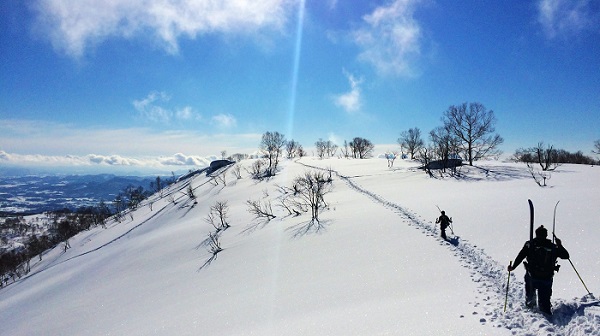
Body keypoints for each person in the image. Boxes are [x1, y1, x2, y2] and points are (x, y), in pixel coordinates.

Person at [508, 225, 569, 315]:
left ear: (536, 234)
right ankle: (545, 312)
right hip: (547, 277)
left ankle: (531, 311)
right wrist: (560, 245)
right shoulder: (552, 247)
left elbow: (521, 256)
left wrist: (513, 267)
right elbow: (566, 256)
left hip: (532, 276)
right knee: (544, 300)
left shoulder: (530, 244)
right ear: (546, 235)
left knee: (530, 296)